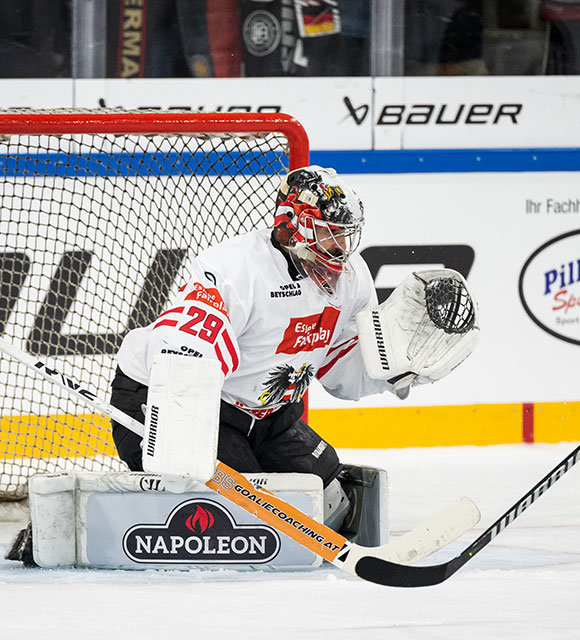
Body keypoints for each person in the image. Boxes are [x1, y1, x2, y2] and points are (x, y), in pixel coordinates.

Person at [108, 166, 475, 536]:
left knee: (330, 499)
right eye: (329, 235)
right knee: (241, 519)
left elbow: (338, 371)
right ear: (291, 225)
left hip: (266, 415)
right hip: (165, 399)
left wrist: (394, 369)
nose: (341, 249)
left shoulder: (351, 278)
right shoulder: (235, 269)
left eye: (345, 236)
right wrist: (180, 432)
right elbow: (186, 356)